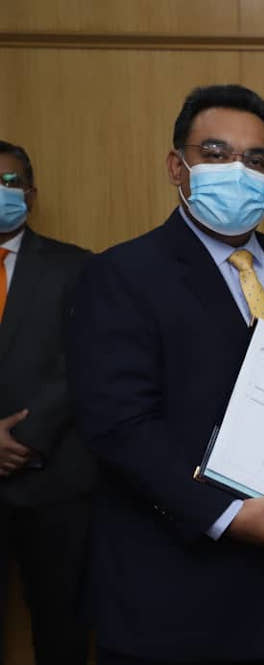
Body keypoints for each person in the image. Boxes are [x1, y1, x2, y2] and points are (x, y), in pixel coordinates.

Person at [68, 84, 264, 665]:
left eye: (256, 161)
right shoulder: (123, 273)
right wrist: (223, 515)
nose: (239, 171)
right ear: (176, 167)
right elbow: (118, 423)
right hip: (172, 595)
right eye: (216, 153)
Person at [0, 140, 94, 665]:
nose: (1, 192)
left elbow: (85, 365)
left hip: (53, 482)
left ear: (31, 194)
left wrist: (25, 441)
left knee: (62, 632)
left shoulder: (77, 267)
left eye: (10, 183)